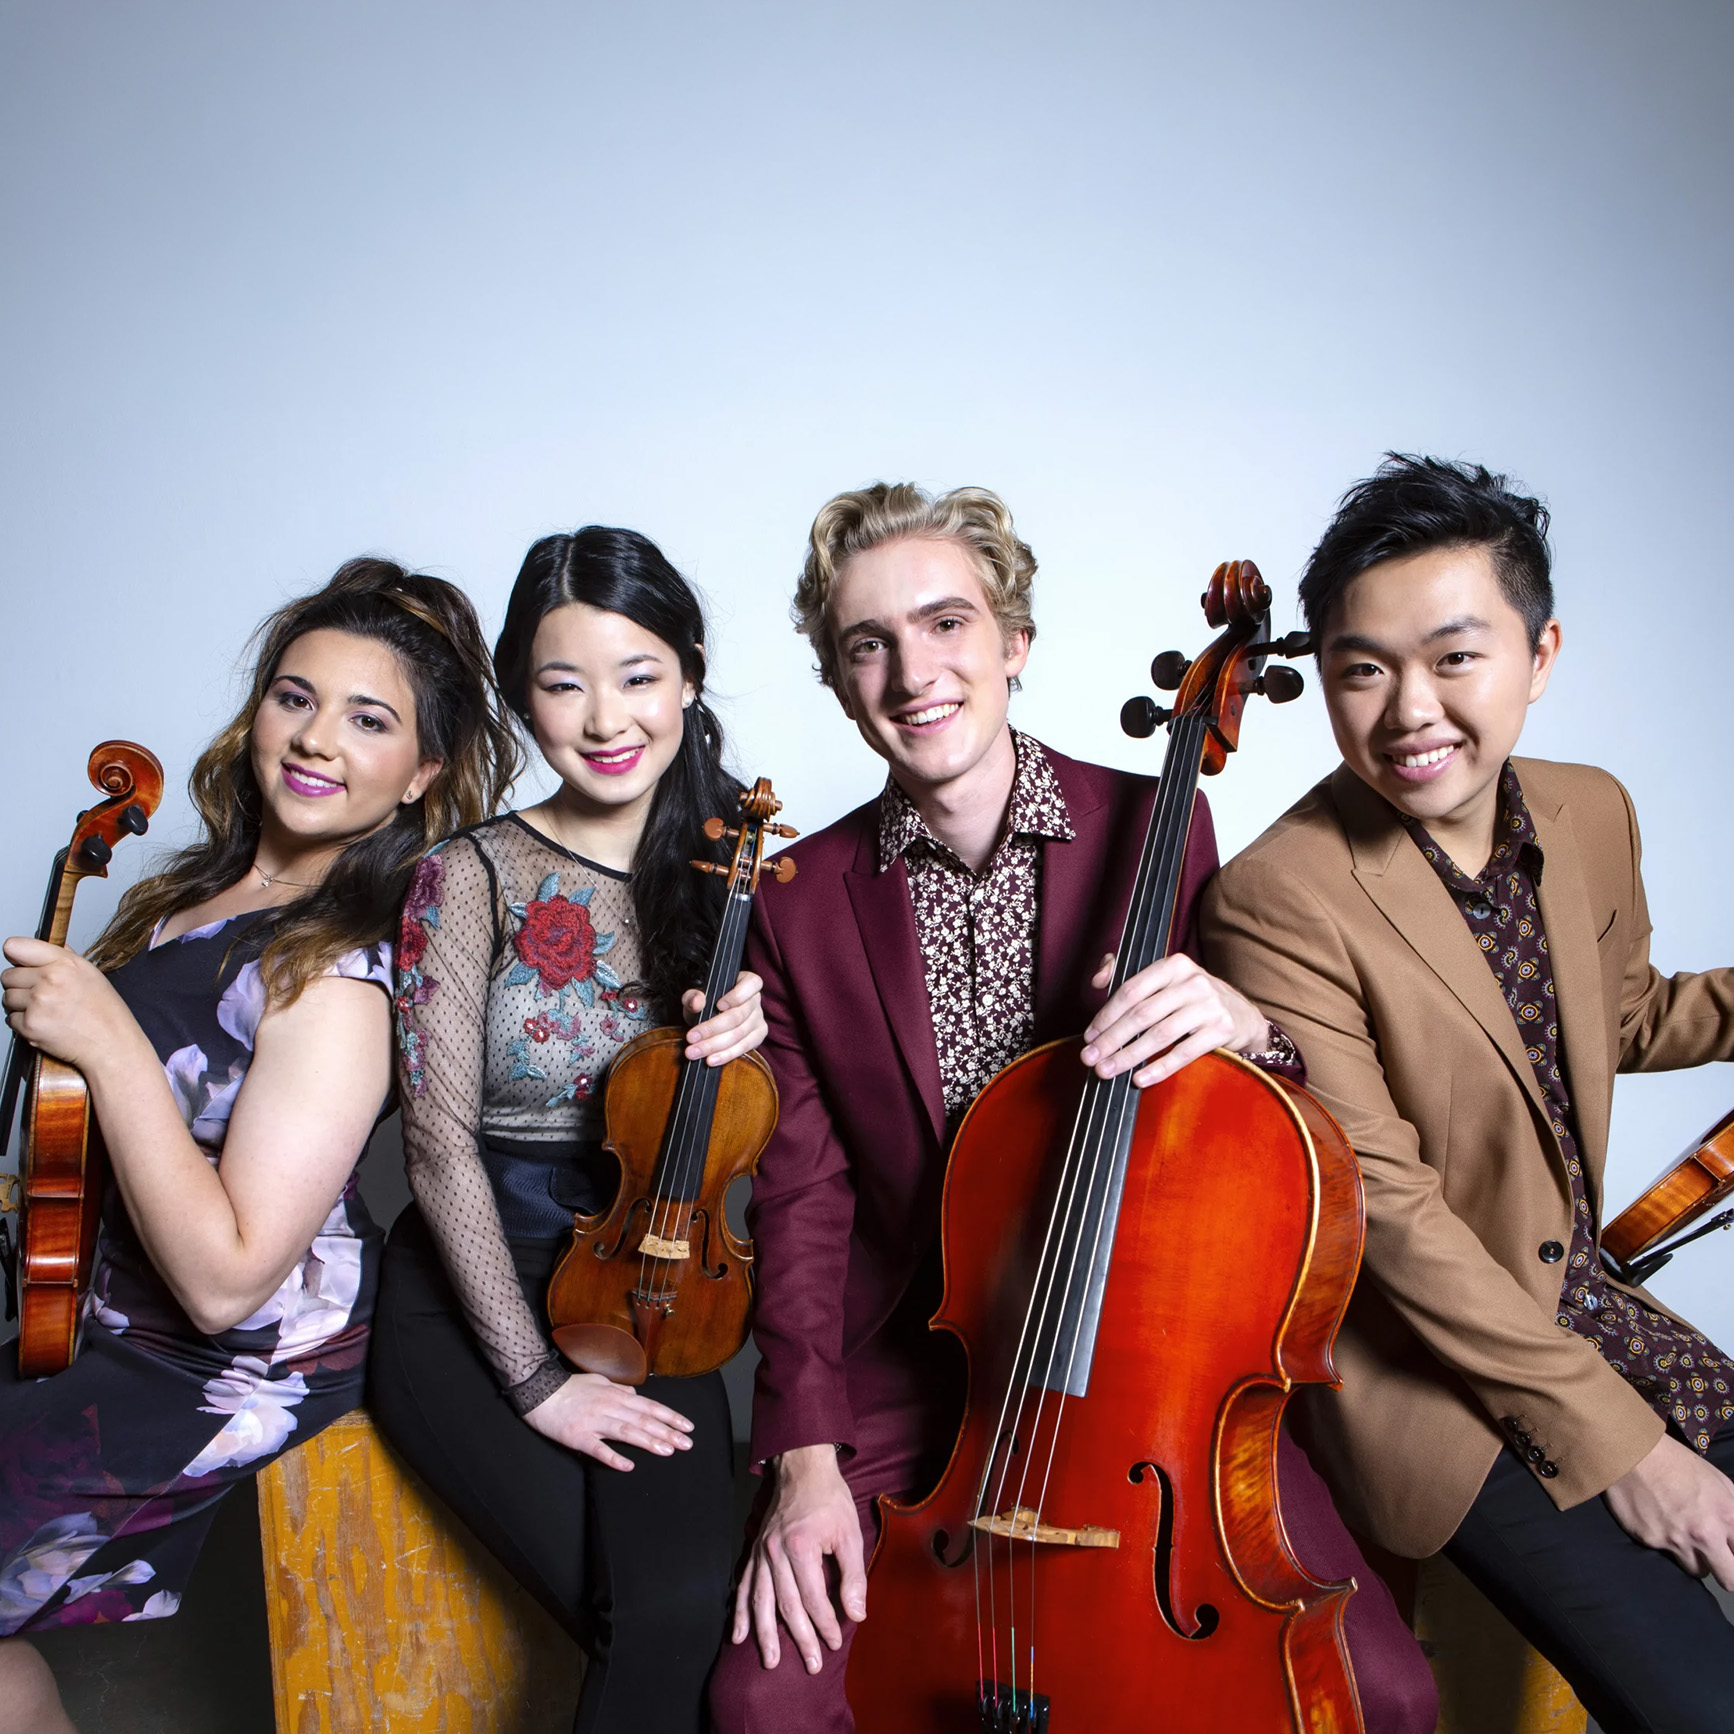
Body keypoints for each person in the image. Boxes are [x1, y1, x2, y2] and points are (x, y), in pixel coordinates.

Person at [706, 482, 1438, 1733]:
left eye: (946, 624)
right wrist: (804, 1462)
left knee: (1382, 1699)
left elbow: (1254, 1131)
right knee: (765, 1705)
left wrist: (1248, 1029)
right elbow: (805, 1201)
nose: (912, 673)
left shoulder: (1162, 820)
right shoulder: (794, 896)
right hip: (916, 1377)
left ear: (1015, 643)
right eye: (868, 644)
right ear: (834, 681)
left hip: (1151, 1367)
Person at [1202, 454, 1734, 1732]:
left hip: (1598, 1312)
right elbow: (1392, 1216)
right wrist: (1629, 1455)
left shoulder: (1589, 810)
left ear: (1538, 655)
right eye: (1363, 670)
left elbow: (1615, 1017)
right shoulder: (1277, 899)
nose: (1410, 711)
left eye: (1455, 658)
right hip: (1443, 1389)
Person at [0, 559, 515, 1733]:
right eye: (295, 697)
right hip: (91, 1319)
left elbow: (229, 1280)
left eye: (369, 720)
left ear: (422, 774)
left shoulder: (339, 974)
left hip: (218, 1364)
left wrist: (106, 1037)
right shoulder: (191, 898)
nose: (316, 738)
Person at [368, 526, 766, 1734]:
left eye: (638, 676)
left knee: (687, 1609)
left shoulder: (737, 875)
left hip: (657, 1292)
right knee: (639, 1621)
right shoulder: (468, 876)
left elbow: (783, 1127)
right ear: (520, 698)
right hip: (466, 1288)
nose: (606, 720)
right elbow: (435, 1146)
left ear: (689, 677)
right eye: (563, 684)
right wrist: (539, 1385)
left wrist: (763, 1032)